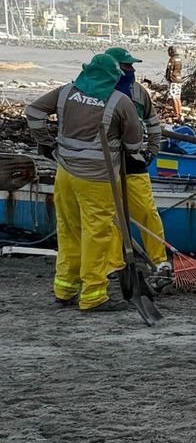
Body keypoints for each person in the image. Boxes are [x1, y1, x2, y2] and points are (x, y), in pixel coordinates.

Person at [25, 54, 143, 311]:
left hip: (65, 173)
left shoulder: (66, 92)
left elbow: (32, 111)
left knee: (68, 230)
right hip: (98, 178)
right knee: (96, 234)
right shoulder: (119, 101)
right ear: (114, 77)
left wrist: (46, 142)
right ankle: (93, 295)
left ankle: (64, 289)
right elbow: (134, 145)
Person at [102, 47, 171, 285]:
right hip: (105, 165)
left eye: (132, 66)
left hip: (134, 161)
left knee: (147, 211)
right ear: (113, 68)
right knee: (111, 215)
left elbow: (153, 123)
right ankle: (113, 263)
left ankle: (159, 261)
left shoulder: (139, 93)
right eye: (126, 66)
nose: (131, 70)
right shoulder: (98, 91)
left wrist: (152, 149)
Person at [165, 46, 183, 119]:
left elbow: (170, 70)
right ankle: (179, 113)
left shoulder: (172, 59)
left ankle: (176, 114)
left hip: (173, 80)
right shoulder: (179, 59)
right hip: (179, 79)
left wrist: (168, 78)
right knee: (178, 97)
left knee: (174, 97)